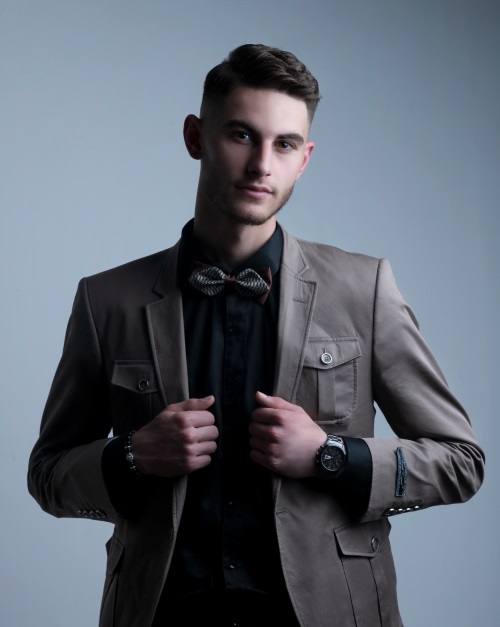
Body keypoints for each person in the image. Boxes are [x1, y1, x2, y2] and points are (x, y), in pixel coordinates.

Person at [28, 43, 484, 627]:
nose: (262, 164)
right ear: (196, 137)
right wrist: (131, 457)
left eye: (285, 144)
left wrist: (332, 456)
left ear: (305, 158)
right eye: (242, 135)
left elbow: (461, 461)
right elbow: (48, 474)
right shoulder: (106, 299)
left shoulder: (364, 289)